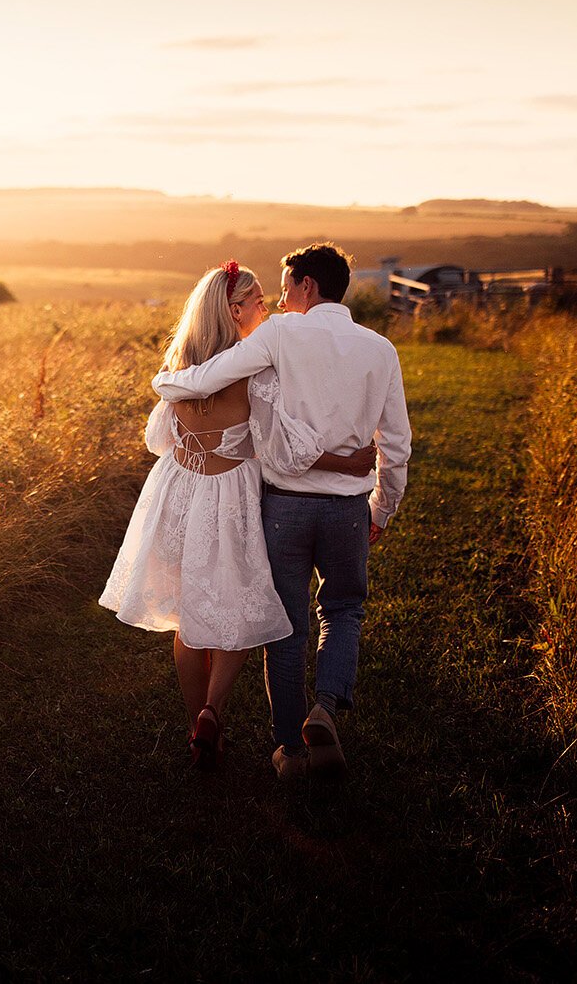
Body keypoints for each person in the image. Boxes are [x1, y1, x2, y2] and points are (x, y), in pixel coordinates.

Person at [100, 261, 375, 770]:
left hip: (179, 494)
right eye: (256, 301)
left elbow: (157, 440)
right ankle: (212, 708)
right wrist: (346, 461)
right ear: (233, 311)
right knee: (239, 610)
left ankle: (197, 726)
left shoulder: (181, 366)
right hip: (232, 500)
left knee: (186, 618)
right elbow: (281, 450)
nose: (267, 306)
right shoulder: (256, 373)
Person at [152, 243, 411, 782]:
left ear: (308, 286)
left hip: (283, 508)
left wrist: (165, 383)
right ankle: (326, 710)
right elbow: (398, 444)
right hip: (346, 509)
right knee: (344, 611)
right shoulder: (381, 348)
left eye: (286, 286)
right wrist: (380, 507)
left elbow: (207, 385)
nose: (280, 299)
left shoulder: (279, 336)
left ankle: (290, 753)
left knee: (286, 628)